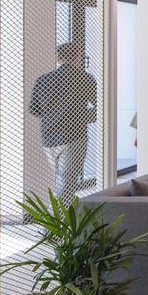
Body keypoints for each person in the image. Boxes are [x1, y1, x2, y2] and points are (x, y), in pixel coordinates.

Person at [28, 42, 97, 195]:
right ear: (78, 57)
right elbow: (101, 106)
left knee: (60, 179)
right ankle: (61, 210)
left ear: (58, 58)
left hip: (49, 138)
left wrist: (53, 114)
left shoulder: (43, 80)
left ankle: (59, 208)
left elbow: (34, 110)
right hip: (74, 136)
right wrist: (82, 117)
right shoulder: (85, 78)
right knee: (67, 182)